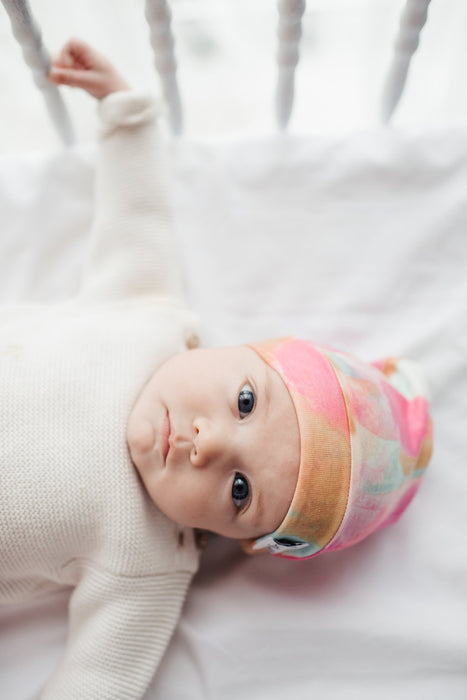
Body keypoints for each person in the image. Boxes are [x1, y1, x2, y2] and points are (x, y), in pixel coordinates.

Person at [0, 38, 433, 699]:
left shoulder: (146, 563)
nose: (208, 444)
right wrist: (124, 109)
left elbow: (101, 677)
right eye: (244, 402)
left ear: (235, 539)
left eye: (238, 491)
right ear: (240, 349)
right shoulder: (148, 315)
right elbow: (134, 215)